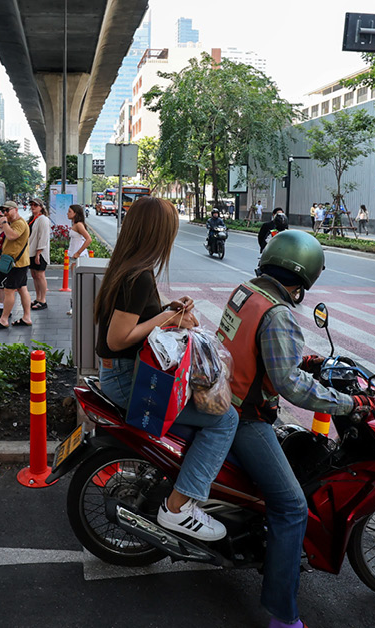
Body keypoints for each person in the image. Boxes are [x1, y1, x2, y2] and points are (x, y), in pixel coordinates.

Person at [218, 231, 375, 628]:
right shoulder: (279, 313)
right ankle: (283, 615)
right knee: (291, 507)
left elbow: (247, 346)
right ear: (305, 276)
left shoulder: (247, 291)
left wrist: (299, 358)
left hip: (222, 398)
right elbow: (290, 386)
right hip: (244, 417)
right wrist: (349, 402)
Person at [95, 196, 238, 541]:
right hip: (126, 378)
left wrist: (169, 309)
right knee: (226, 419)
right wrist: (166, 316)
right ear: (157, 234)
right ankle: (177, 509)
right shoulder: (138, 276)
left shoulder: (128, 267)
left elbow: (135, 321)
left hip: (121, 371)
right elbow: (117, 338)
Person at [0, 201, 33, 330]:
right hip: (17, 262)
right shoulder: (14, 223)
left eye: (8, 210)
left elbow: (12, 236)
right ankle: (26, 317)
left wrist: (4, 223)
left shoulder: (19, 223)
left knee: (9, 291)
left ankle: (3, 320)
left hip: (17, 264)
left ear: (15, 209)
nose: (5, 213)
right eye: (4, 211)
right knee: (22, 289)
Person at [65, 204, 92, 317]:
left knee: (77, 283)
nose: (67, 213)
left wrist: (78, 253)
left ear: (75, 213)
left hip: (78, 258)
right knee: (76, 282)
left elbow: (88, 239)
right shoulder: (76, 224)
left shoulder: (79, 225)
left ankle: (76, 307)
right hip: (74, 256)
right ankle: (75, 307)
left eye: (70, 211)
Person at [27, 199, 51, 311]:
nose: (33, 207)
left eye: (35, 205)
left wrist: (38, 253)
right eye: (31, 205)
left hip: (39, 252)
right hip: (31, 251)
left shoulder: (43, 219)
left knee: (40, 275)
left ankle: (43, 300)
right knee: (34, 275)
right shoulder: (33, 219)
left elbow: (43, 237)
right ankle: (38, 298)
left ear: (41, 207)